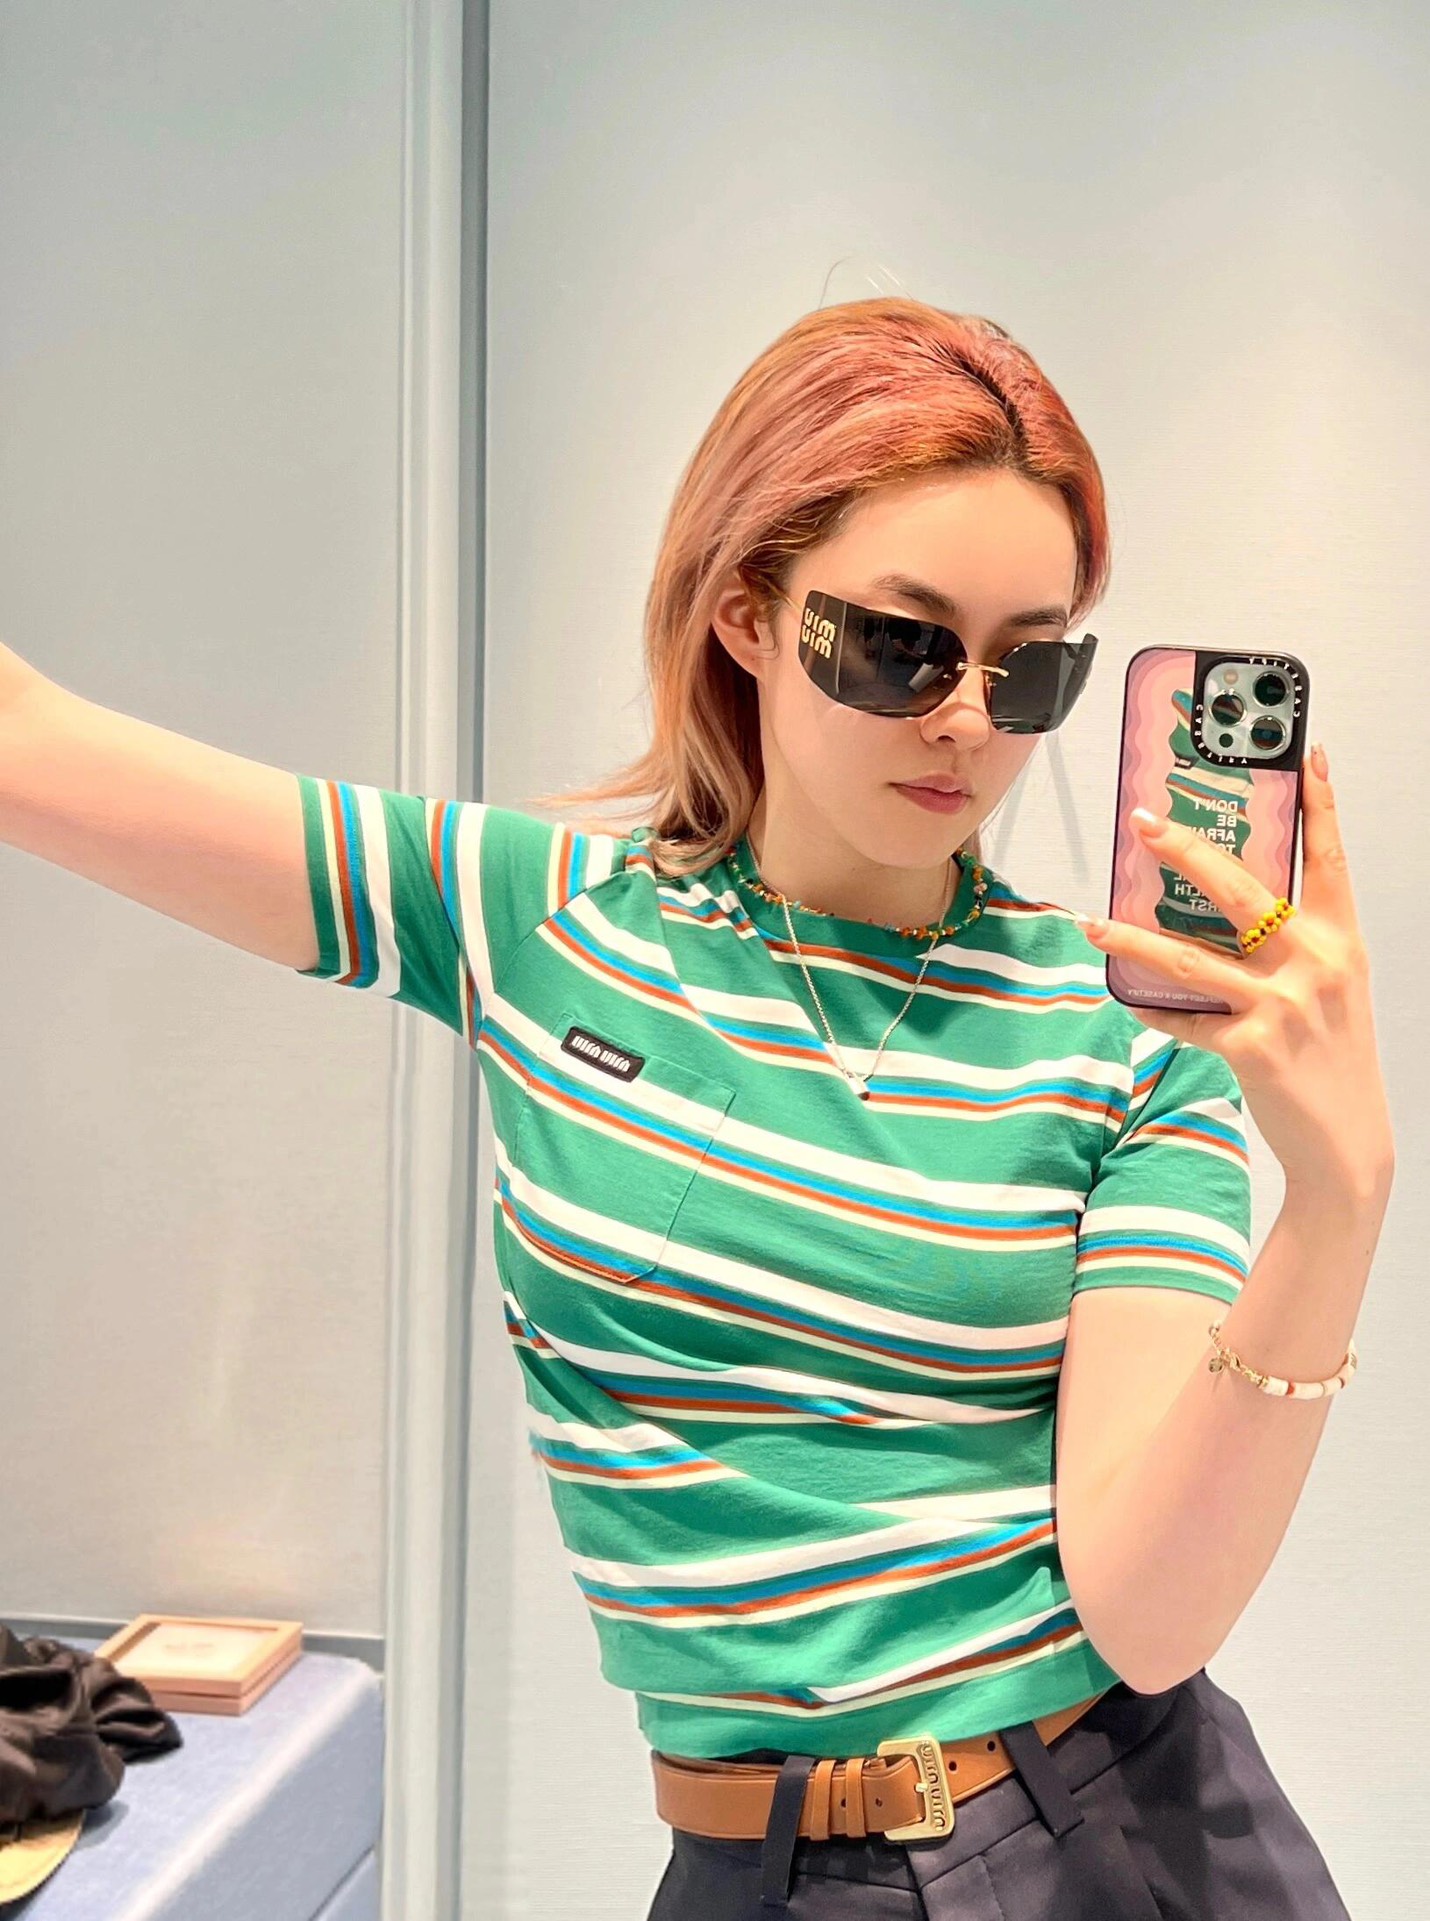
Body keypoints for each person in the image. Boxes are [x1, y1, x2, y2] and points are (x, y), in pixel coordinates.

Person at [0, 299, 1394, 1918]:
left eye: (1026, 667)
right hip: (747, 1866)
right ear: (746, 609)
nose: (963, 717)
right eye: (902, 643)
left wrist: (1335, 1200)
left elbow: (1150, 1617)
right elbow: (31, 746)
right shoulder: (535, 918)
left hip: (1095, 1830)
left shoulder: (1114, 1031)